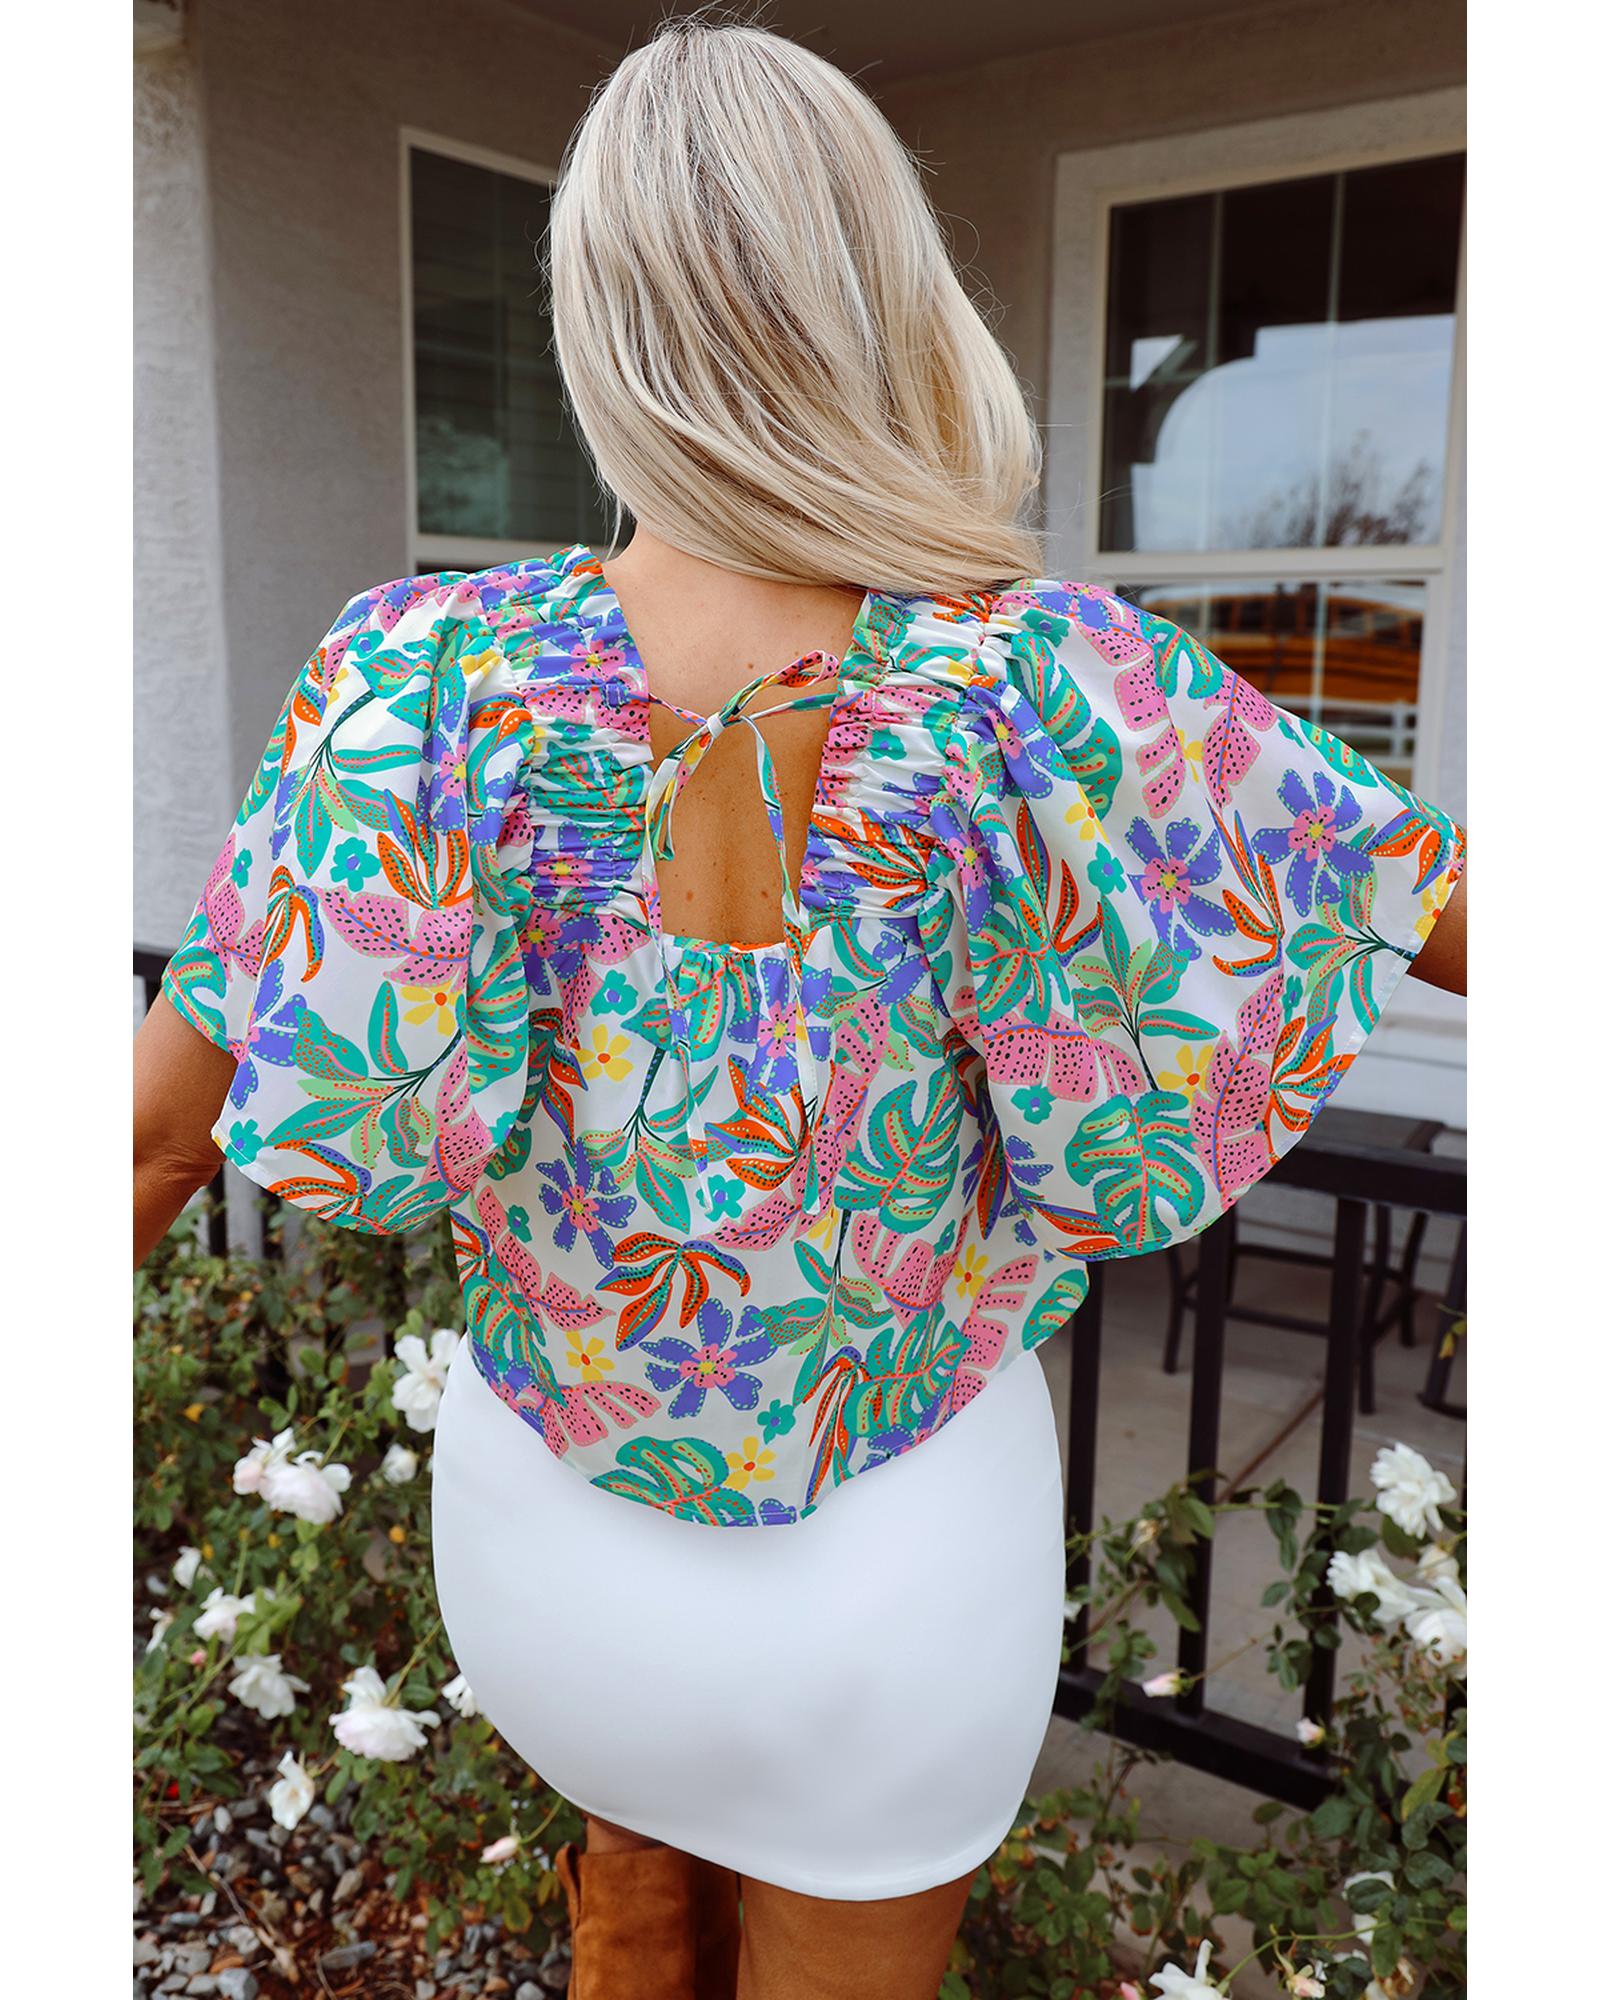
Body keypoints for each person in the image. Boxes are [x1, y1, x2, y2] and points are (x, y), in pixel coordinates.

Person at [132, 16, 1468, 1999]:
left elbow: (151, 1144)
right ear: (884, 303)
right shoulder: (1043, 687)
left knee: (626, 1908)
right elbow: (1420, 896)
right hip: (887, 1573)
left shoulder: (414, 681)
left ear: (597, 323)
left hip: (550, 1536)